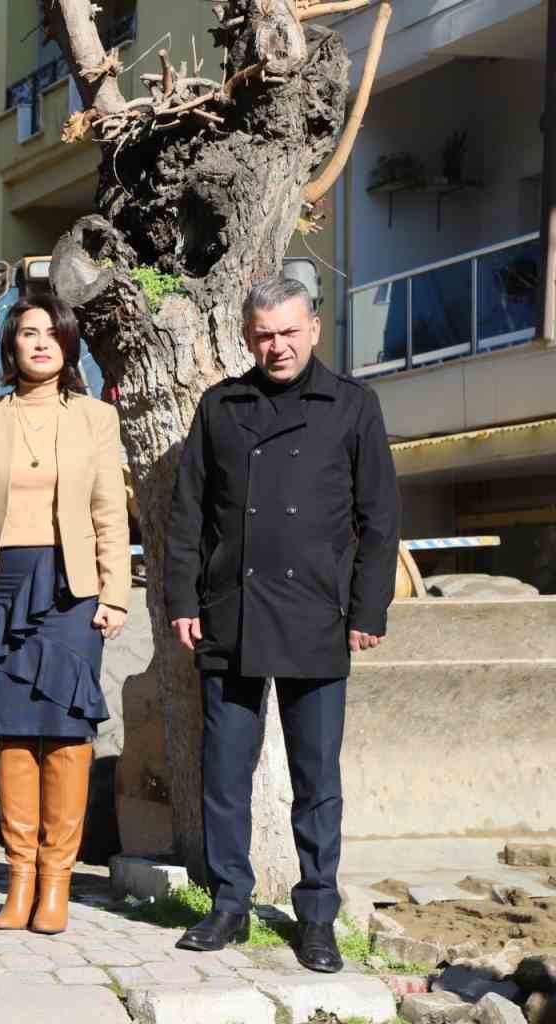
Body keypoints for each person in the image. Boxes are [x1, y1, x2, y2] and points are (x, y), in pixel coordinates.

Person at [166, 277, 399, 973]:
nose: (277, 346)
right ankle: (229, 904)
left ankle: (318, 915)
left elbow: (379, 520)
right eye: (264, 335)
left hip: (318, 615)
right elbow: (188, 515)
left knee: (316, 777)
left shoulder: (354, 406)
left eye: (289, 331)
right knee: (225, 773)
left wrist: (368, 610)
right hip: (228, 614)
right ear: (247, 338)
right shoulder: (220, 407)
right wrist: (183, 601)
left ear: (314, 329)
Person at [0, 292, 130, 934]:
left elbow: (110, 511)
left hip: (71, 590)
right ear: (10, 345)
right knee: (12, 731)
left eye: (52, 333)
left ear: (69, 345)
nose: (40, 343)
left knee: (67, 732)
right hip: (2, 586)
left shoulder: (96, 419)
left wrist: (115, 595)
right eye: (27, 333)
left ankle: (57, 887)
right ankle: (18, 883)